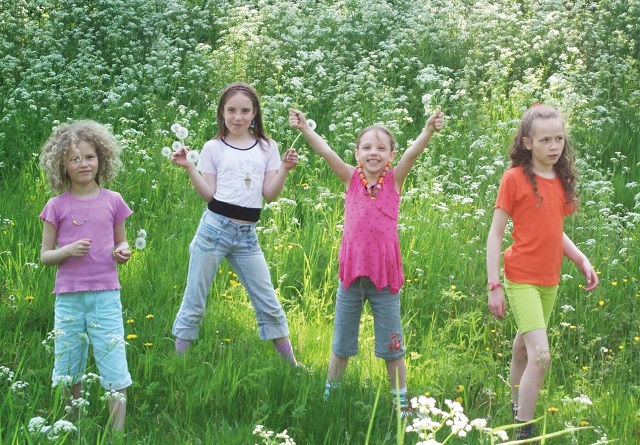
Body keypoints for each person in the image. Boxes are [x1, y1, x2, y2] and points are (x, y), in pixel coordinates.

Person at [289, 107, 444, 416]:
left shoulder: (394, 181)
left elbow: (413, 154)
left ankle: (401, 405)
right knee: (341, 341)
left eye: (381, 148)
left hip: (384, 278)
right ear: (358, 152)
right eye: (367, 147)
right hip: (352, 276)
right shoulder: (351, 179)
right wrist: (305, 129)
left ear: (390, 155)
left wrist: (428, 130)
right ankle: (330, 397)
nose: (374, 152)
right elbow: (326, 152)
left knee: (391, 343)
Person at [486, 104, 598, 440]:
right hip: (519, 277)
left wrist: (580, 260)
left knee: (523, 347)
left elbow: (554, 228)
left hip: (549, 279)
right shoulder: (514, 179)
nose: (554, 146)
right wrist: (494, 285)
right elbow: (495, 234)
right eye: (545, 139)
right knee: (541, 355)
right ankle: (525, 428)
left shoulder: (560, 180)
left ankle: (514, 407)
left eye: (559, 139)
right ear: (526, 143)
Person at [171, 82, 300, 366]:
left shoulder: (268, 147)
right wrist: (190, 168)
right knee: (195, 299)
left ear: (255, 114)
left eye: (245, 110)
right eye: (231, 110)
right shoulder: (212, 147)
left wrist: (286, 170)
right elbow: (208, 194)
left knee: (268, 301)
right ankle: (178, 362)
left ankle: (291, 364)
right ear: (222, 113)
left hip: (247, 237)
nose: (238, 117)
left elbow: (269, 193)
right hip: (213, 230)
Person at [39, 120, 133, 432]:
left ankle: (116, 432)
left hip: (106, 294)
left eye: (89, 156)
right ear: (61, 165)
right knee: (68, 361)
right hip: (68, 298)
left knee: (112, 357)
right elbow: (45, 256)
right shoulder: (56, 206)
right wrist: (67, 251)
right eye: (74, 158)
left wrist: (123, 250)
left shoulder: (113, 200)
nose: (83, 164)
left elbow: (121, 240)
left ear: (101, 158)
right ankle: (70, 423)